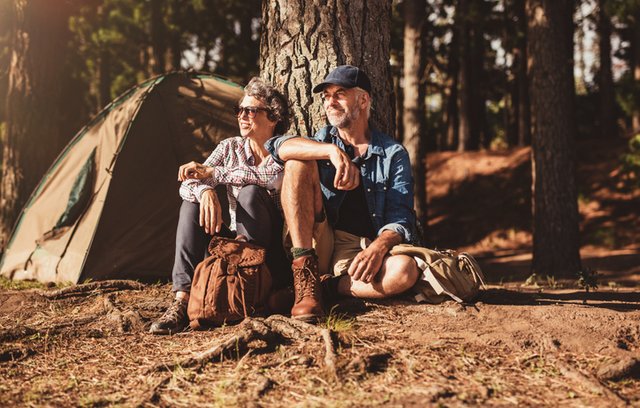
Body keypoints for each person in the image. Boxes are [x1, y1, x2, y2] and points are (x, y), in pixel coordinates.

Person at [266, 65, 420, 321]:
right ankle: (305, 277)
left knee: (404, 271)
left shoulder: (393, 154)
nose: (330, 101)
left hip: (358, 250)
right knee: (296, 162)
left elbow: (401, 218)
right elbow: (276, 146)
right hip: (316, 239)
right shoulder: (322, 139)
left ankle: (325, 288)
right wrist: (331, 152)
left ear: (363, 100)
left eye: (339, 93)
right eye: (326, 95)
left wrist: (379, 247)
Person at [150, 77, 291, 334]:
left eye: (251, 110)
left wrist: (213, 173)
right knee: (191, 205)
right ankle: (181, 301)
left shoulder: (283, 149)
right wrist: (205, 191)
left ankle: (247, 291)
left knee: (249, 193)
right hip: (235, 245)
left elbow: (266, 178)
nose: (242, 116)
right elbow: (187, 184)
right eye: (240, 110)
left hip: (271, 257)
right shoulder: (229, 147)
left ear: (273, 118)